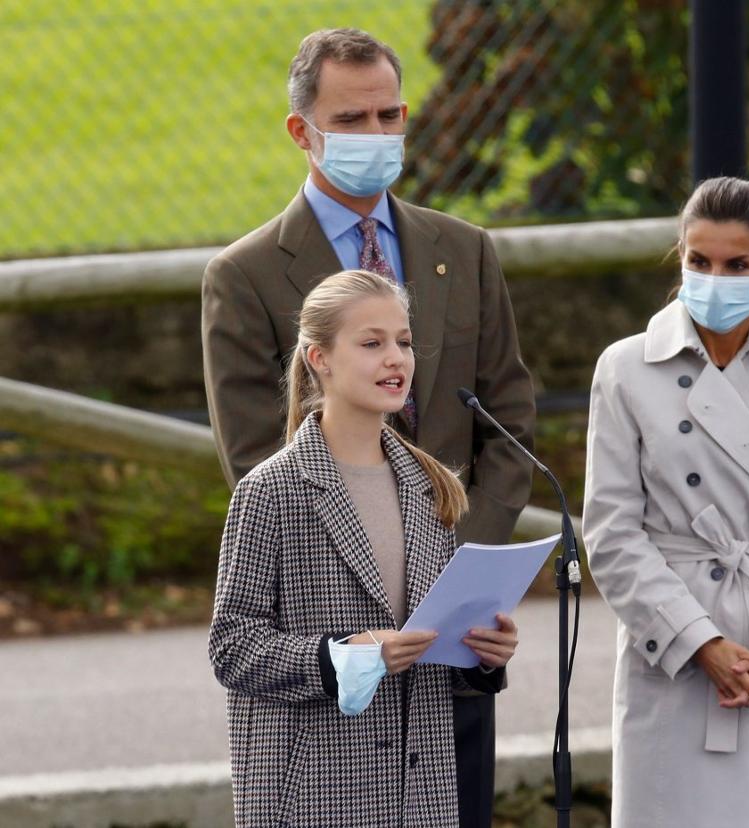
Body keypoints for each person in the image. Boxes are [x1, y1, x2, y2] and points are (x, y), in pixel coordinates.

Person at [200, 29, 535, 825]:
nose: (379, 136)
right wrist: (361, 623)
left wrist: (457, 574)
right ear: (302, 131)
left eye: (391, 115)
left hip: (451, 641)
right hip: (328, 650)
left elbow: (508, 418)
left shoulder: (464, 249)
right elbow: (256, 456)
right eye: (353, 120)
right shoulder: (244, 277)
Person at [582, 176, 749, 827]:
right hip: (669, 649)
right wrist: (700, 643)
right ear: (679, 256)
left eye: (737, 265)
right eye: (698, 261)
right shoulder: (623, 369)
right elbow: (612, 534)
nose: (714, 278)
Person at [209, 270, 520, 826]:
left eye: (403, 341)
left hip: (421, 797)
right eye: (372, 343)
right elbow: (233, 647)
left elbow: (426, 642)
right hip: (313, 794)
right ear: (319, 359)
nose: (396, 358)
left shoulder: (430, 486)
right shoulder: (270, 491)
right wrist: (343, 657)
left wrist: (480, 657)